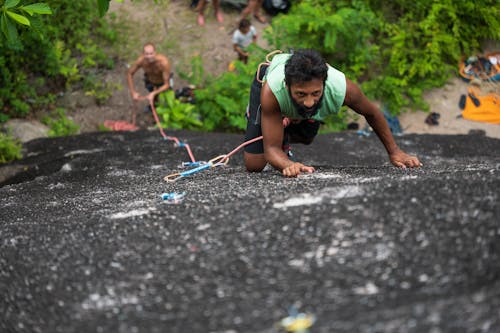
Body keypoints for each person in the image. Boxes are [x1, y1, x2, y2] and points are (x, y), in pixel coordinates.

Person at [243, 49, 422, 177]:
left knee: (307, 138)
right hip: (270, 90)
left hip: (296, 106)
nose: (309, 101)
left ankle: (286, 132)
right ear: (287, 86)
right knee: (254, 165)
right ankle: (268, 120)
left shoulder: (341, 88)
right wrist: (288, 165)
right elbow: (271, 149)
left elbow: (372, 114)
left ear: (324, 84)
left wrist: (395, 151)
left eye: (316, 93)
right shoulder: (271, 91)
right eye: (301, 94)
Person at [127, 43, 171, 111]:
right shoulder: (141, 61)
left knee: (167, 100)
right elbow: (130, 73)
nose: (149, 56)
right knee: (153, 98)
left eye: (151, 53)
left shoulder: (163, 63)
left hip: (162, 83)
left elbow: (167, 84)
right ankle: (153, 106)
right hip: (150, 81)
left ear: (155, 53)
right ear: (143, 54)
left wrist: (154, 92)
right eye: (146, 54)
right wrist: (133, 92)